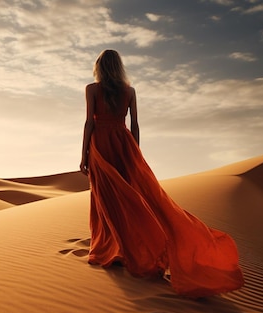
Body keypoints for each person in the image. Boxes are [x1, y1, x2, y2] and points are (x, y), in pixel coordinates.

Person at [79, 49, 244, 298]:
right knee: (133, 195)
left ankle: (115, 248)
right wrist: (134, 152)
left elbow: (89, 122)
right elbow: (134, 124)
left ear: (99, 67)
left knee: (107, 197)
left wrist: (84, 155)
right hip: (124, 143)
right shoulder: (129, 90)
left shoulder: (92, 88)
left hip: (101, 143)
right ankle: (128, 247)